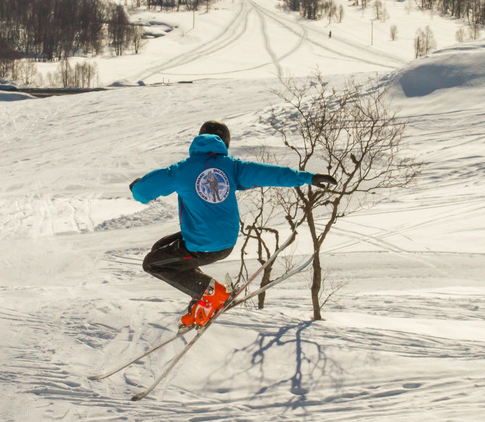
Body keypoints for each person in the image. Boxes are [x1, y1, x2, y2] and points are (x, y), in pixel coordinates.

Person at [130, 120, 334, 326]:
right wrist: (309, 177)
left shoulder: (181, 170)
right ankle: (204, 295)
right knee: (160, 249)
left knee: (152, 264)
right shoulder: (233, 167)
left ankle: (212, 293)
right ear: (224, 144)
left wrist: (137, 185)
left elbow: (142, 192)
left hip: (202, 245)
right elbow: (271, 174)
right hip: (225, 242)